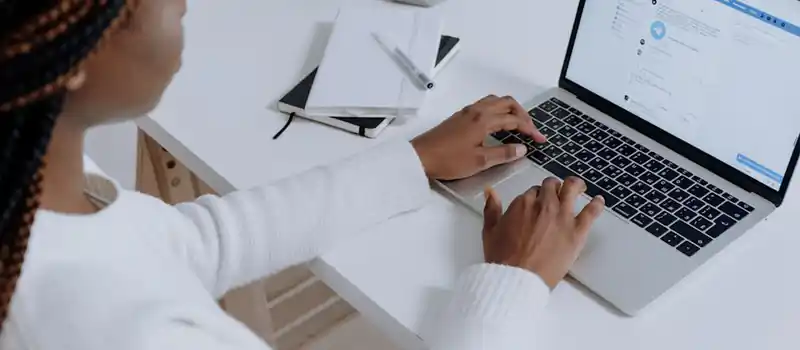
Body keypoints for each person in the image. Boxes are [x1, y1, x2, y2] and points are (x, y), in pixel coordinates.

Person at [0, 1, 605, 349]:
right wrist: (512, 282)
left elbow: (192, 242)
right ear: (65, 54)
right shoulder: (130, 333)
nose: (184, 4)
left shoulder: (34, 189)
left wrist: (413, 159)